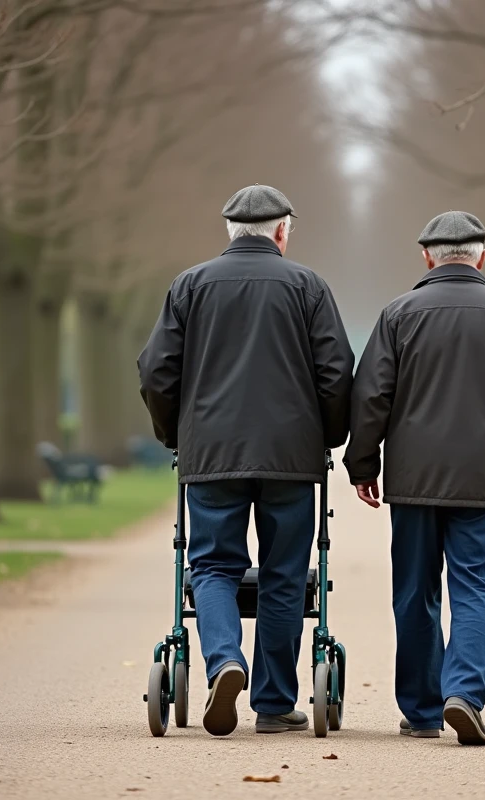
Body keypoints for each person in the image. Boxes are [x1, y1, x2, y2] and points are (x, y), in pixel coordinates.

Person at [138, 185, 354, 736]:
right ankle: (276, 703)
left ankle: (223, 661)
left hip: (210, 453)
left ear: (229, 231)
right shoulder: (308, 287)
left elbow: (156, 370)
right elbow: (335, 372)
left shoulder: (190, 286)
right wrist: (327, 437)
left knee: (212, 565)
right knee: (284, 574)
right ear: (282, 231)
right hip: (290, 457)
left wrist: (175, 435)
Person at [343, 210, 485, 746]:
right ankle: (464, 692)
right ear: (482, 256)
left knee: (415, 590)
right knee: (477, 588)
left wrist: (362, 464)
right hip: (484, 478)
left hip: (413, 478)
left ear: (426, 257)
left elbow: (370, 397)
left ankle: (421, 711)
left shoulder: (398, 315)